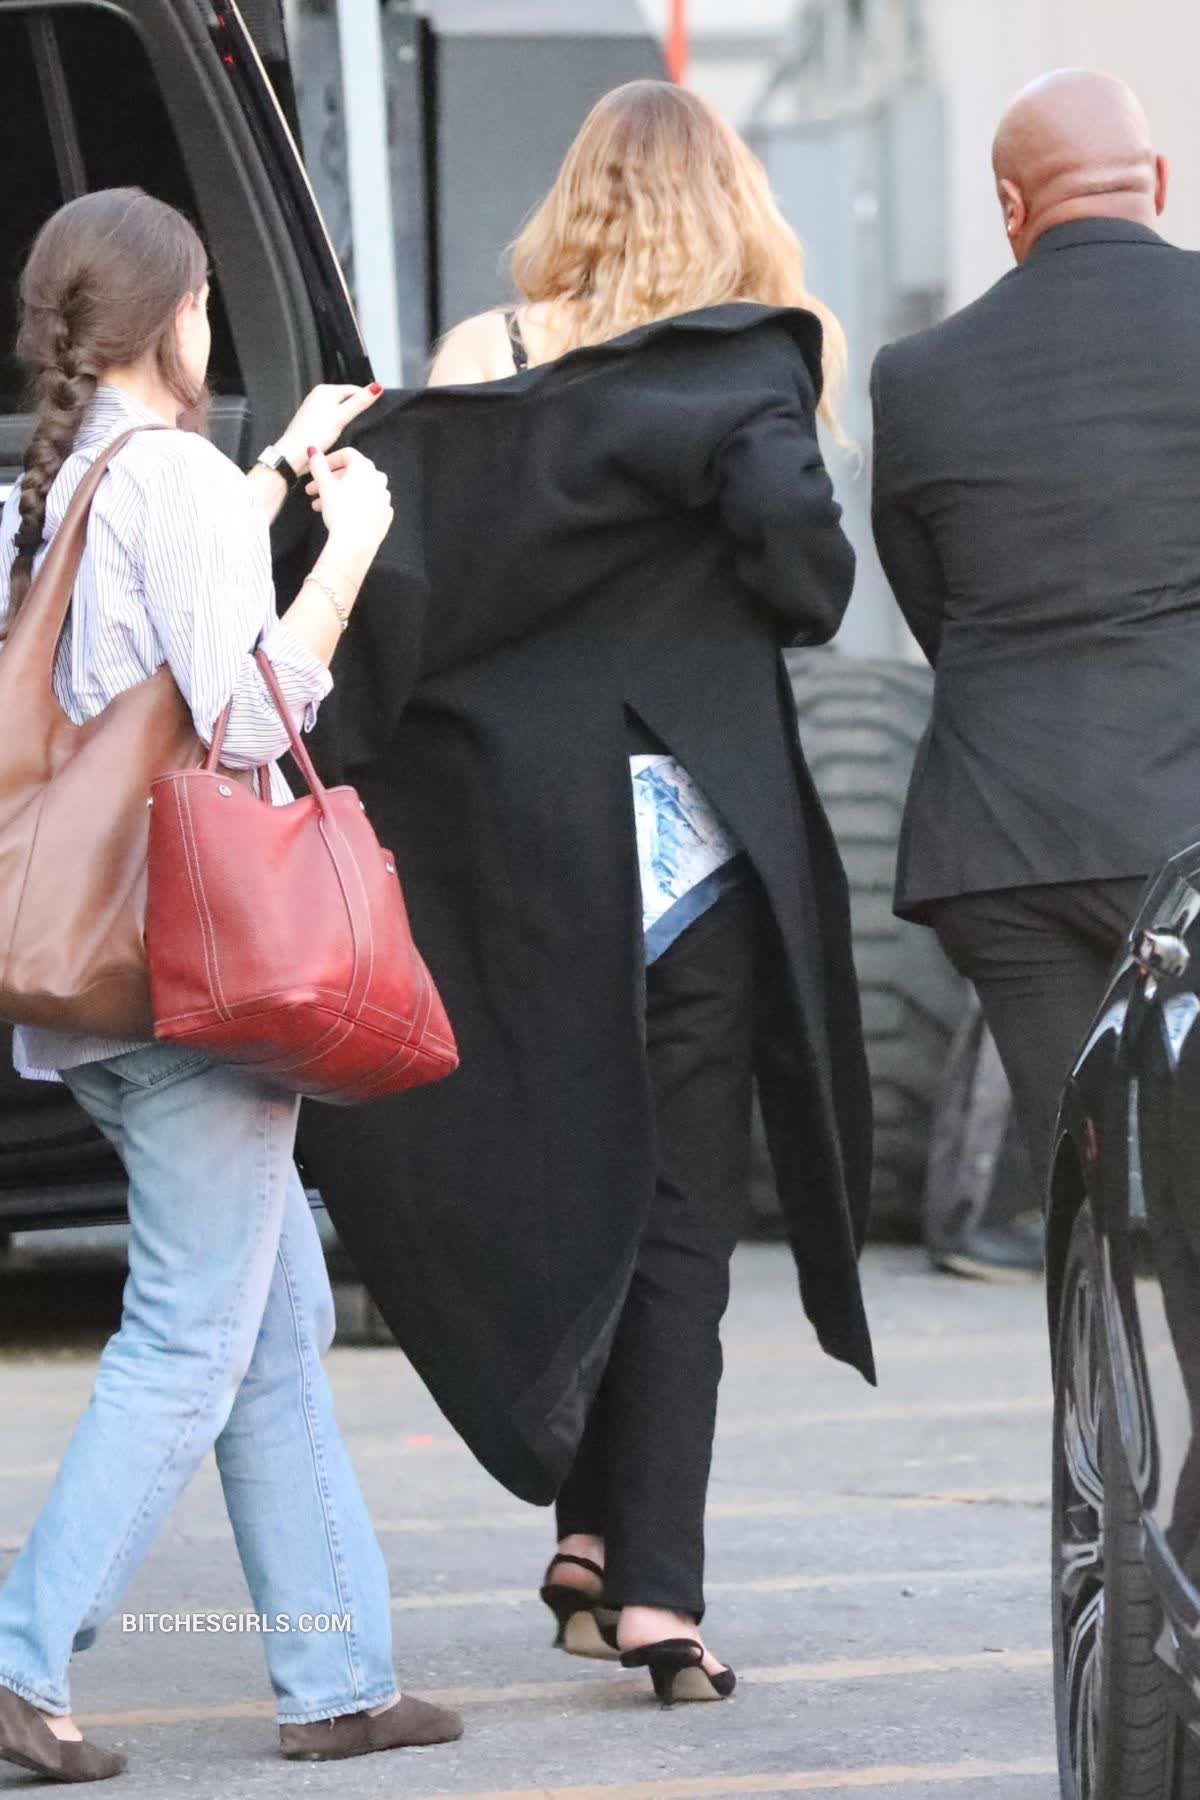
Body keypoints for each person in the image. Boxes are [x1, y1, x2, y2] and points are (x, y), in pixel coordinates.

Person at [298, 79, 875, 1705]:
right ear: (732, 210)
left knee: (569, 1163)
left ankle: (587, 1533)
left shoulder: (483, 358)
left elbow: (410, 581)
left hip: (517, 851)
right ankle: (659, 1599)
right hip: (688, 853)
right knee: (680, 1211)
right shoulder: (747, 368)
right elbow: (811, 579)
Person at [0, 189, 462, 1783]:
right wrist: (350, 547)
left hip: (91, 969)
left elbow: (142, 657)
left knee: (268, 1329)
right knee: (193, 1333)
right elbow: (249, 716)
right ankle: (20, 1659)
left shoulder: (56, 491)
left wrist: (265, 484)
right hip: (192, 973)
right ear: (183, 314)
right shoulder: (176, 480)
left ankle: (337, 1676)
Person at [870, 68, 1200, 1266]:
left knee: (1093, 1208)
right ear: (1155, 179)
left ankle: (1099, 1396)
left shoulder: (920, 374)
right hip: (1185, 832)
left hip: (1004, 847)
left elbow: (935, 608)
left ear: (1012, 205)